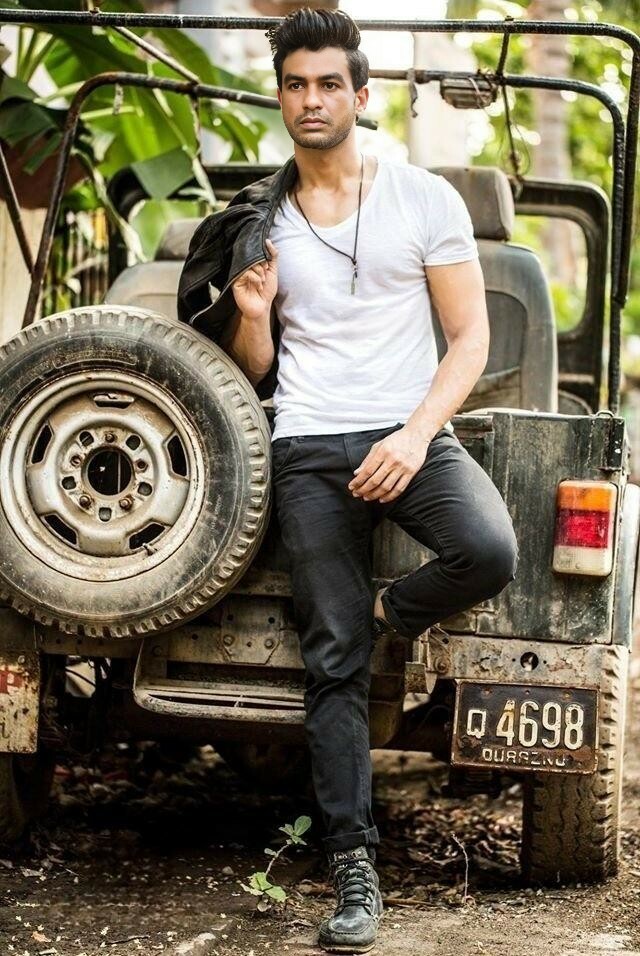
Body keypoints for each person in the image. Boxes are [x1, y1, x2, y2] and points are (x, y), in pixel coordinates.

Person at [180, 8, 518, 953]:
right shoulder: (263, 220)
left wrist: (414, 435)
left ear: (360, 95)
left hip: (407, 434)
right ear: (281, 96)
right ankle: (354, 869)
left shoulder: (422, 198)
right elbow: (252, 372)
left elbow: (471, 338)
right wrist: (253, 313)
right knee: (331, 661)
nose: (312, 99)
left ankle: (384, 615)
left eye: (329, 83)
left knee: (488, 549)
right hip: (306, 444)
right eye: (296, 84)